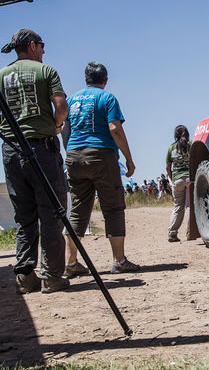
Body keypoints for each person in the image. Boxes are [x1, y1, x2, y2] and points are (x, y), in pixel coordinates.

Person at [0, 28, 70, 294]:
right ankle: (52, 276)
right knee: (52, 212)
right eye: (42, 46)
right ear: (32, 46)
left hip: (12, 152)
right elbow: (61, 105)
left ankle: (25, 275)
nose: (44, 51)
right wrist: (56, 125)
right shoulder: (46, 71)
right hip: (42, 148)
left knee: (24, 215)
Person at [61, 62, 140, 278]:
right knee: (113, 207)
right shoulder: (107, 98)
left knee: (78, 209)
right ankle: (119, 260)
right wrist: (129, 159)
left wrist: (70, 150)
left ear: (85, 80)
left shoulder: (72, 100)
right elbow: (114, 128)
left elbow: (64, 129)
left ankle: (71, 262)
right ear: (105, 80)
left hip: (74, 156)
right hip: (101, 154)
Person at [167, 125, 195, 242]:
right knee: (189, 207)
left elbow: (168, 166)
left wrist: (172, 178)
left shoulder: (171, 148)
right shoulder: (192, 144)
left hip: (177, 180)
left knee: (178, 207)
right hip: (190, 179)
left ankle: (172, 233)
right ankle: (190, 233)